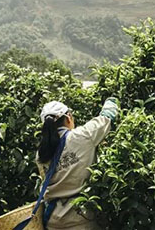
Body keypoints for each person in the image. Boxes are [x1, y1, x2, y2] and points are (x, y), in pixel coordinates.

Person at [36, 98, 119, 230]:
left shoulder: (41, 152)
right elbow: (107, 117)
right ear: (68, 117)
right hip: (81, 217)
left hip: (53, 219)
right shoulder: (83, 136)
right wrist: (111, 100)